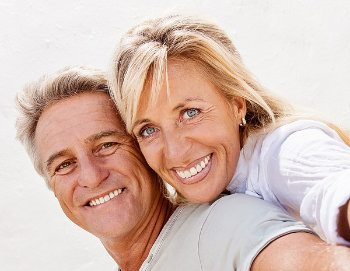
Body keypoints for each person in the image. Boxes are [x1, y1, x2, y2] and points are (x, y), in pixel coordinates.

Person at [15, 66, 350, 271]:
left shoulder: (224, 228)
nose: (90, 176)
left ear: (145, 151)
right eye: (64, 164)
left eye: (106, 145)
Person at [109, 14, 350, 246]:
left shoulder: (284, 152)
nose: (176, 153)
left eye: (190, 113)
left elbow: (334, 187)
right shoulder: (194, 210)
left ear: (237, 105)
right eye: (148, 130)